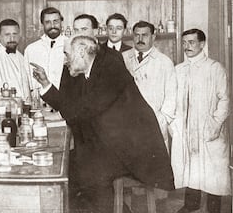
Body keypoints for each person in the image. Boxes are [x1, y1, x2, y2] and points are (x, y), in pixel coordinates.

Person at [31, 35, 174, 212]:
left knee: (84, 170)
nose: (66, 61)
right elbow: (77, 108)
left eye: (67, 55)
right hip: (113, 142)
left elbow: (81, 111)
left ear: (82, 51)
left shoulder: (109, 68)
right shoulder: (93, 68)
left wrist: (60, 103)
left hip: (133, 149)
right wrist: (45, 83)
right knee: (70, 164)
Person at [171, 29, 230, 213]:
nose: (187, 46)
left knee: (213, 175)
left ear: (202, 44)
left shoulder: (215, 68)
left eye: (192, 42)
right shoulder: (178, 70)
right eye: (184, 43)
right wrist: (175, 126)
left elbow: (225, 100)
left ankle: (214, 209)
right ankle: (191, 205)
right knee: (192, 171)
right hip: (187, 129)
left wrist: (214, 124)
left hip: (209, 130)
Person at [122, 21, 176, 150]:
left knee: (154, 166)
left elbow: (171, 97)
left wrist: (162, 120)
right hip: (126, 125)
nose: (140, 39)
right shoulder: (122, 58)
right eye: (137, 35)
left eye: (145, 35)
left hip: (155, 124)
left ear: (153, 37)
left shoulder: (164, 62)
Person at [24, 7, 66, 91]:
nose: (52, 26)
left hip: (65, 100)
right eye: (48, 22)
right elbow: (26, 80)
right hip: (39, 100)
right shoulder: (31, 49)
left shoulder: (70, 45)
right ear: (42, 24)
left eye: (56, 21)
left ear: (61, 22)